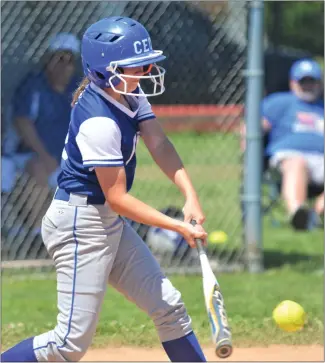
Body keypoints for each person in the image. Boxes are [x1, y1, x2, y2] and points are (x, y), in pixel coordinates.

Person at [1, 17, 208, 362]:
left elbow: (158, 143)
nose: (145, 70)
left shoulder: (129, 93)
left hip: (105, 220)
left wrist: (191, 195)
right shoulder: (99, 121)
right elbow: (118, 198)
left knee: (169, 307)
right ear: (105, 70)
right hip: (80, 226)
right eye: (135, 66)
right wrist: (176, 226)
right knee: (68, 344)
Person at [1, 32, 80, 194]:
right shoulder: (33, 85)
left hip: (64, 159)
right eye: (59, 59)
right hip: (28, 157)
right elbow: (22, 123)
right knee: (40, 172)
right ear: (48, 60)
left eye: (69, 61)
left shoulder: (77, 88)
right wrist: (44, 156)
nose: (64, 66)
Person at [262, 58, 324, 230]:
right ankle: (298, 213)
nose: (308, 85)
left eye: (312, 81)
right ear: (292, 83)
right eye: (303, 81)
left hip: (321, 159)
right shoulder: (278, 102)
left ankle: (316, 213)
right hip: (288, 158)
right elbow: (253, 127)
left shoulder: (322, 107)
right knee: (297, 163)